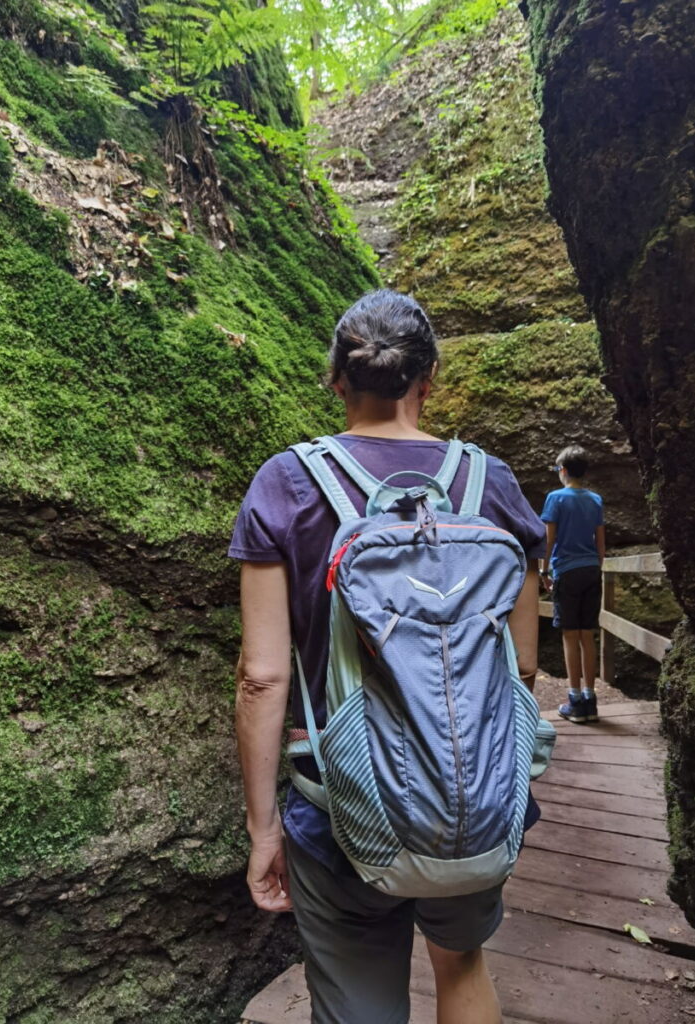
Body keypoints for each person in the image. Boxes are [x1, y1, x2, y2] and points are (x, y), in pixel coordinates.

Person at [229, 289, 546, 1024]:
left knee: (356, 1005)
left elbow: (262, 677)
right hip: (473, 797)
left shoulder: (287, 482)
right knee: (463, 967)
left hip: (338, 800)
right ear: (428, 379)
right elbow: (521, 670)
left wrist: (262, 828)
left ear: (336, 379)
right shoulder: (488, 483)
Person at [539, 446, 606, 724]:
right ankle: (591, 700)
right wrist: (596, 567)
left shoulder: (555, 498)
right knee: (586, 634)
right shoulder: (595, 500)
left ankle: (575, 700)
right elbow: (600, 541)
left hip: (566, 570)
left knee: (569, 635)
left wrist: (544, 571)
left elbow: (548, 540)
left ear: (563, 470)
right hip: (591, 569)